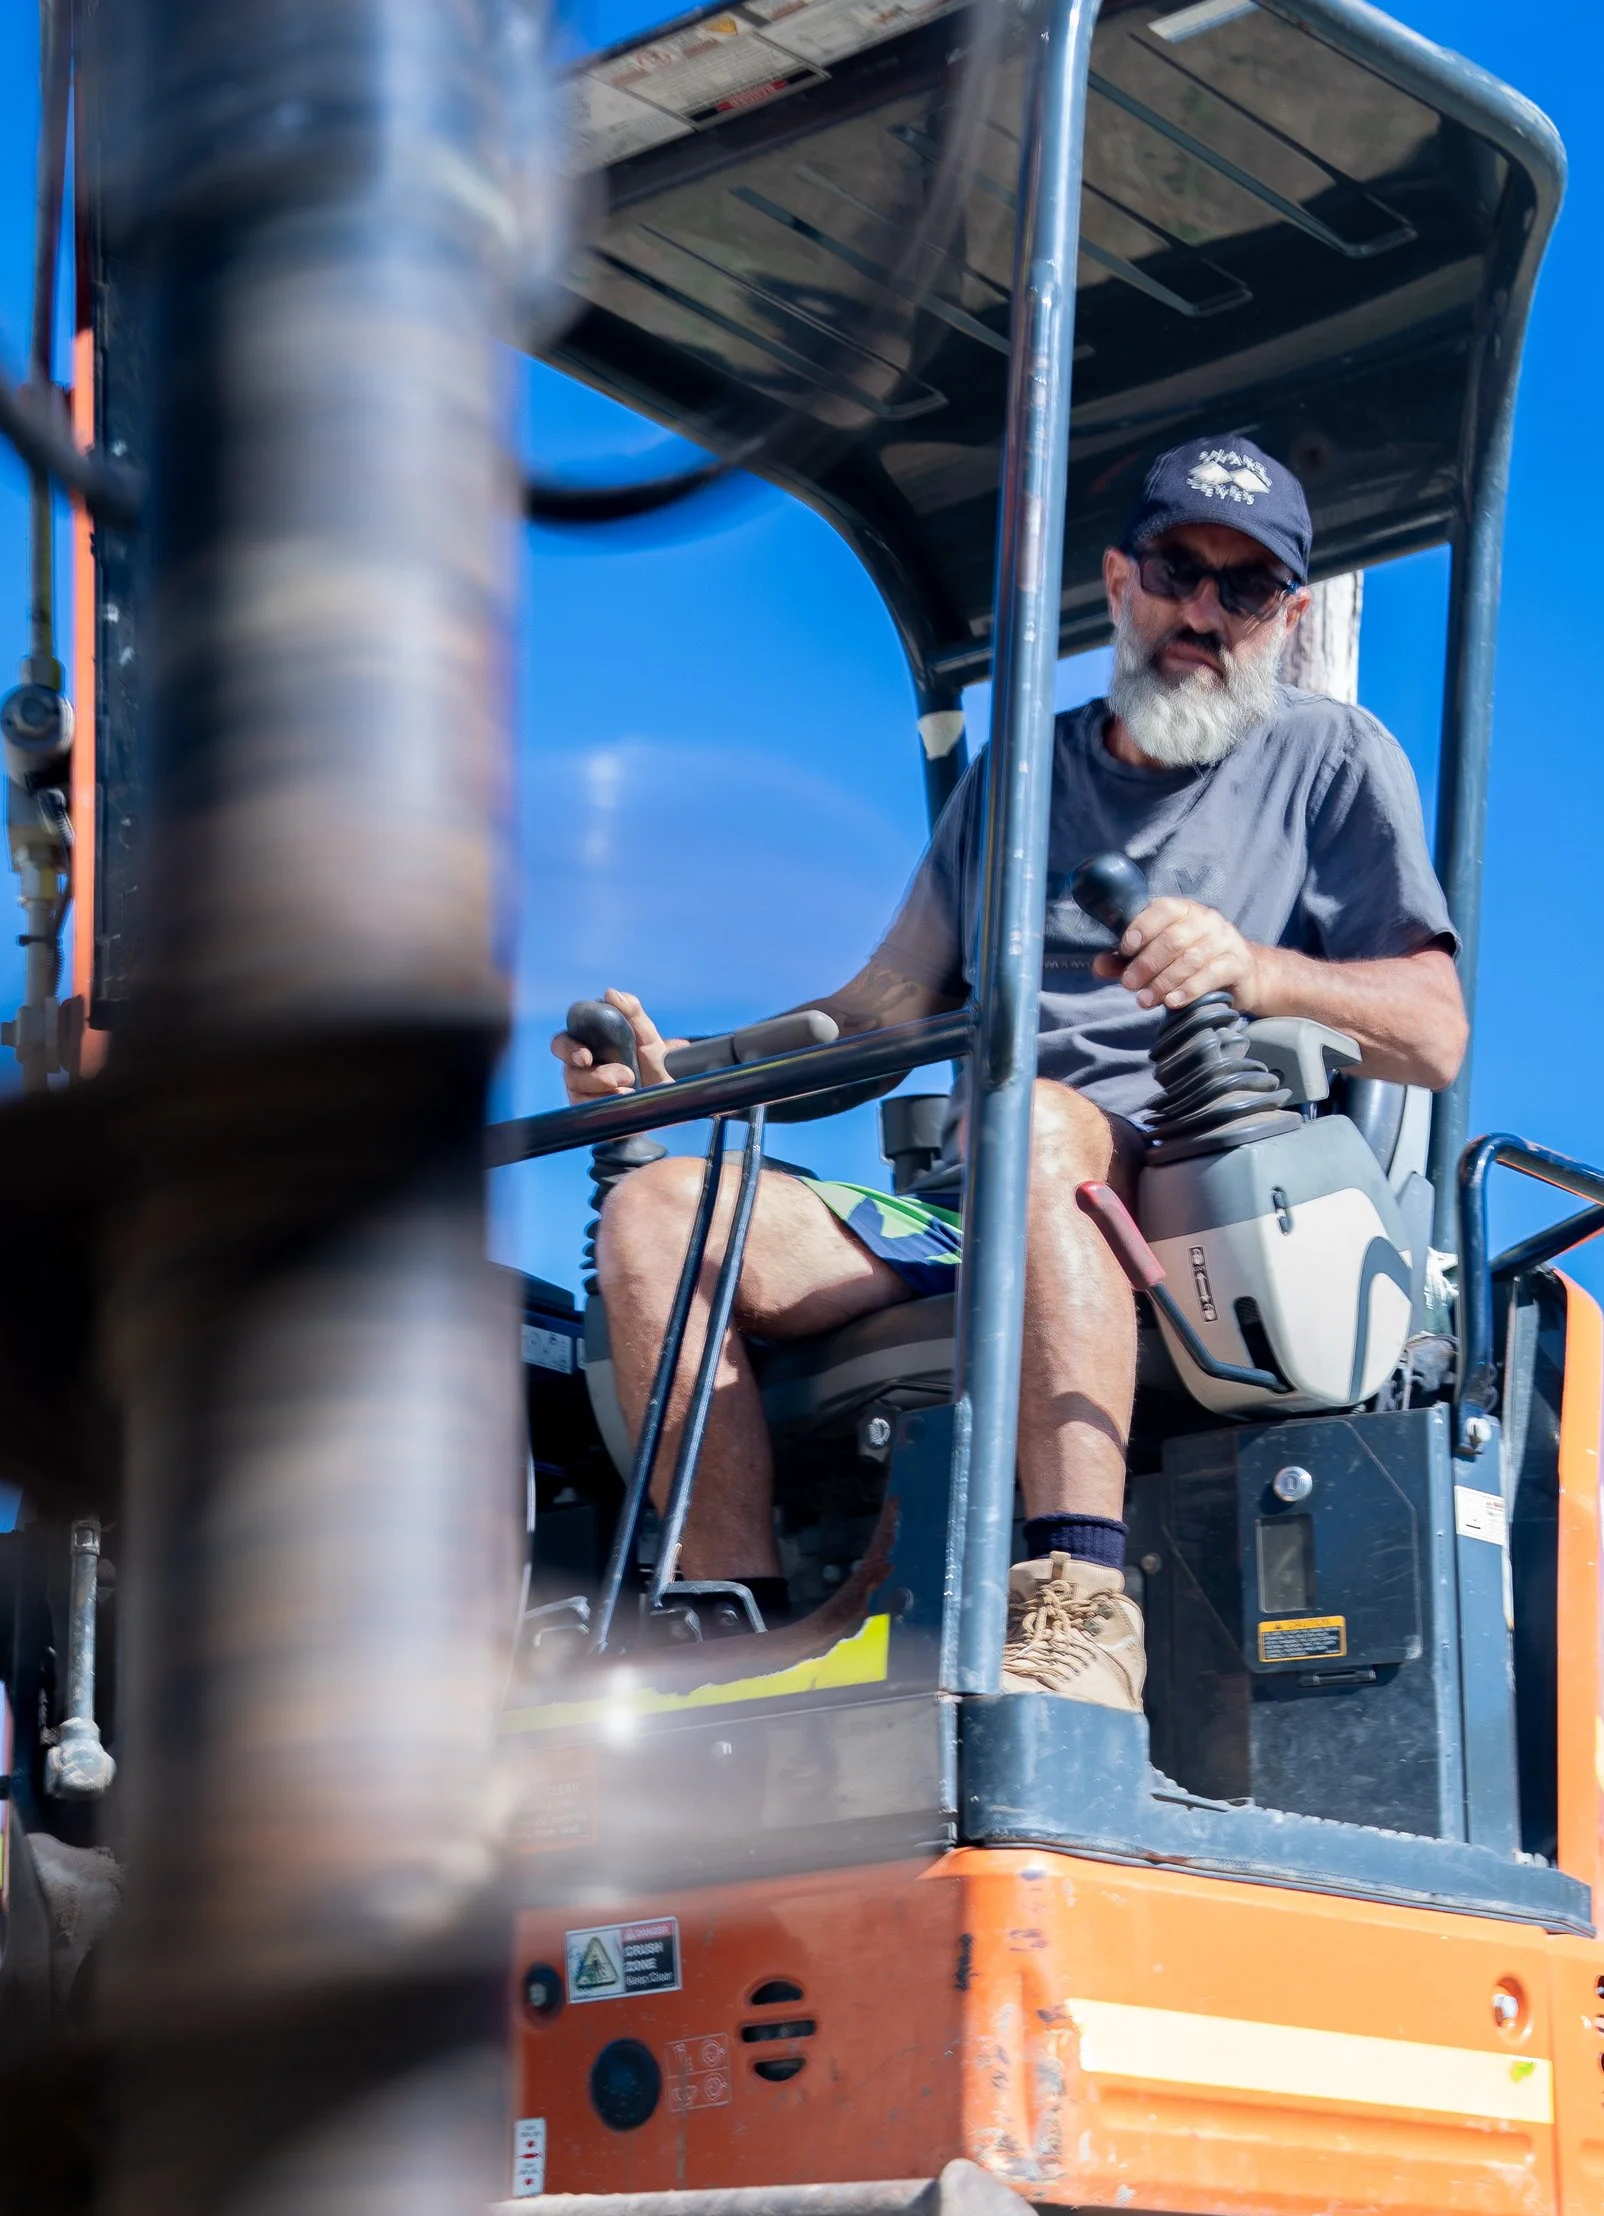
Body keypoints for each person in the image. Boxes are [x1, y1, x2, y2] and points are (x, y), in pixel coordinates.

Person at [556, 433, 1467, 1707]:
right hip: (972, 1203)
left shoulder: (1330, 760)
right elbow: (876, 1015)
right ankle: (729, 1623)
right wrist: (671, 1076)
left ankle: (1083, 1603)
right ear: (1119, 578)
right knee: (660, 1213)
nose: (1204, 609)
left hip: (1188, 1208)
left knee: (1035, 1126)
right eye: (1177, 568)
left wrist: (1253, 970)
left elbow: (1433, 1028)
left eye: (1244, 587)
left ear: (1288, 613)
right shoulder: (1016, 781)